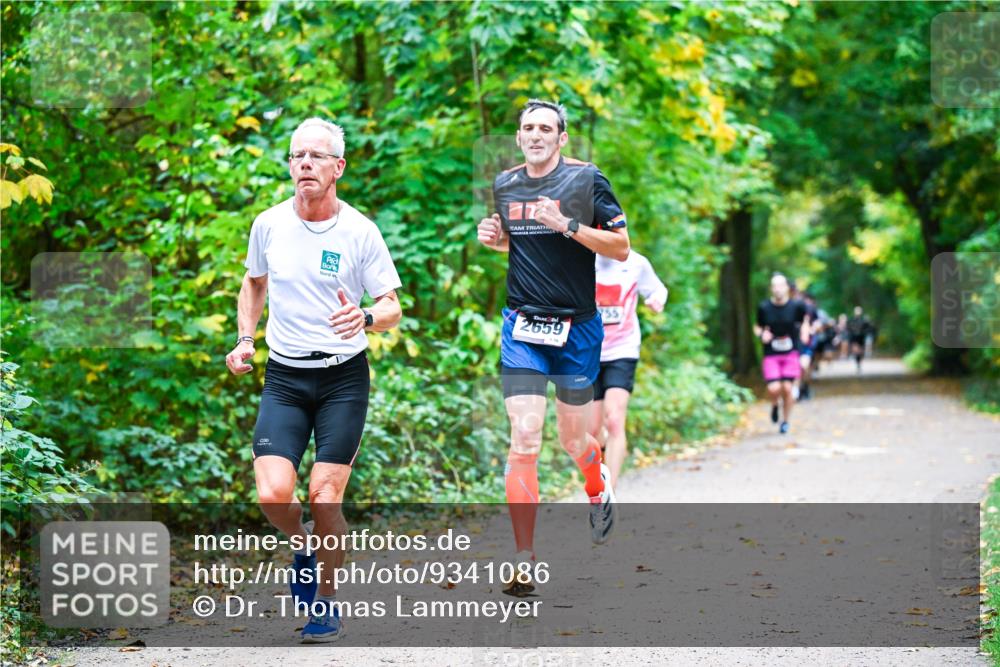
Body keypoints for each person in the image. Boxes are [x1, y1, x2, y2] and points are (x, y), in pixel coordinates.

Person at [225, 117, 403, 642]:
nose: (304, 163)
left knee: (326, 495)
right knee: (274, 494)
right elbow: (253, 282)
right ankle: (302, 545)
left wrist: (366, 318)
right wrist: (244, 339)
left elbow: (392, 305)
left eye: (316, 156)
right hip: (285, 376)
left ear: (337, 168)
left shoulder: (360, 231)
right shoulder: (269, 224)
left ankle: (325, 600)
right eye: (296, 155)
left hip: (343, 378)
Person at [477, 99, 630, 595]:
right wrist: (494, 238)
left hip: (577, 331)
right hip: (523, 327)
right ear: (518, 137)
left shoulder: (587, 181)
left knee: (573, 441)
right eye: (528, 128)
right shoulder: (505, 184)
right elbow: (517, 243)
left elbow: (621, 247)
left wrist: (566, 223)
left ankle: (596, 481)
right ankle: (524, 557)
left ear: (562, 139)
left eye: (546, 127)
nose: (536, 134)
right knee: (525, 436)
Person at [588, 250, 667, 488]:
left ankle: (608, 495)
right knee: (592, 430)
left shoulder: (636, 263)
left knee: (614, 419)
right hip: (589, 351)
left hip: (623, 349)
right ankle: (601, 462)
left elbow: (657, 289)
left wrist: (656, 300)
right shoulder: (582, 258)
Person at [754, 274, 809, 434]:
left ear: (786, 288)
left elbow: (804, 320)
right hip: (771, 353)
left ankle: (785, 421)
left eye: (781, 285)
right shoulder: (764, 307)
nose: (778, 289)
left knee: (787, 388)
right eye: (774, 286)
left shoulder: (797, 306)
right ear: (771, 289)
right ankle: (774, 404)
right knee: (774, 388)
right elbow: (757, 326)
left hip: (790, 353)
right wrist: (761, 334)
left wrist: (805, 331)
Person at [847, 306, 874, 372]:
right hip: (854, 337)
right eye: (857, 311)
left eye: (859, 311)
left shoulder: (864, 321)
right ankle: (857, 362)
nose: (858, 312)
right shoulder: (851, 320)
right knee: (856, 351)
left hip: (861, 337)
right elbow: (849, 328)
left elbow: (869, 328)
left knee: (860, 352)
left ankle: (859, 363)